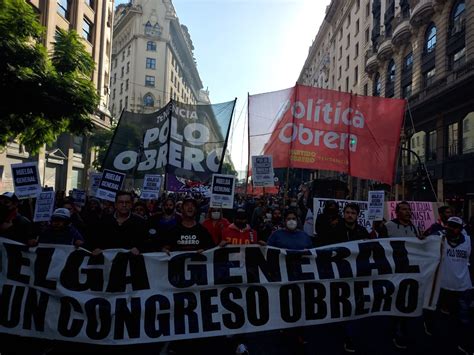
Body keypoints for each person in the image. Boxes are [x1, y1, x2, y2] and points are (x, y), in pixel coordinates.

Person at [435, 216, 473, 354]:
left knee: (464, 319)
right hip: (444, 287)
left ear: (461, 229)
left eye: (455, 226)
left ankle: (465, 344)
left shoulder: (469, 241)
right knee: (444, 320)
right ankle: (444, 345)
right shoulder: (439, 239)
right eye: (449, 225)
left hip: (463, 287)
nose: (451, 228)